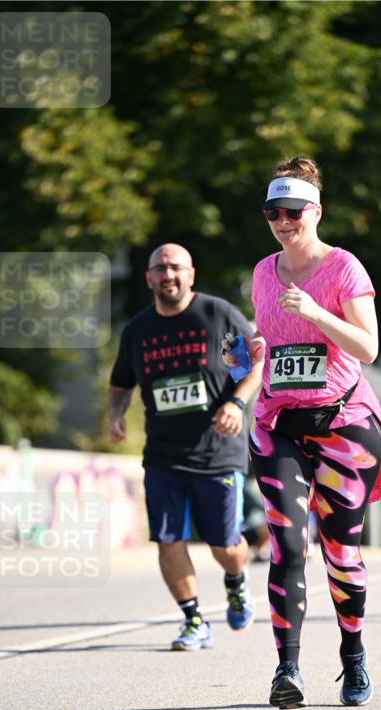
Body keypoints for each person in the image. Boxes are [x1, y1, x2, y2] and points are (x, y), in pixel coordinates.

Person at [225, 156, 381, 709]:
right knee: (288, 545)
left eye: (291, 212)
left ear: (315, 211)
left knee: (340, 551)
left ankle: (353, 657)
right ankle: (287, 669)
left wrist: (315, 312)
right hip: (279, 424)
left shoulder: (344, 269)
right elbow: (270, 344)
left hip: (343, 423)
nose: (282, 222)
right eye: (272, 213)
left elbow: (368, 347)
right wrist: (245, 353)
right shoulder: (264, 272)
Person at [109, 243, 264, 650]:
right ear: (149, 279)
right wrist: (115, 414)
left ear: (191, 274)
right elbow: (122, 382)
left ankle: (236, 580)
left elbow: (253, 367)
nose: (168, 274)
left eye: (175, 267)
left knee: (225, 545)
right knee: (167, 539)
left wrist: (236, 402)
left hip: (217, 451)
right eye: (159, 268)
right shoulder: (137, 331)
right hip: (163, 454)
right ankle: (194, 619)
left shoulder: (217, 316)